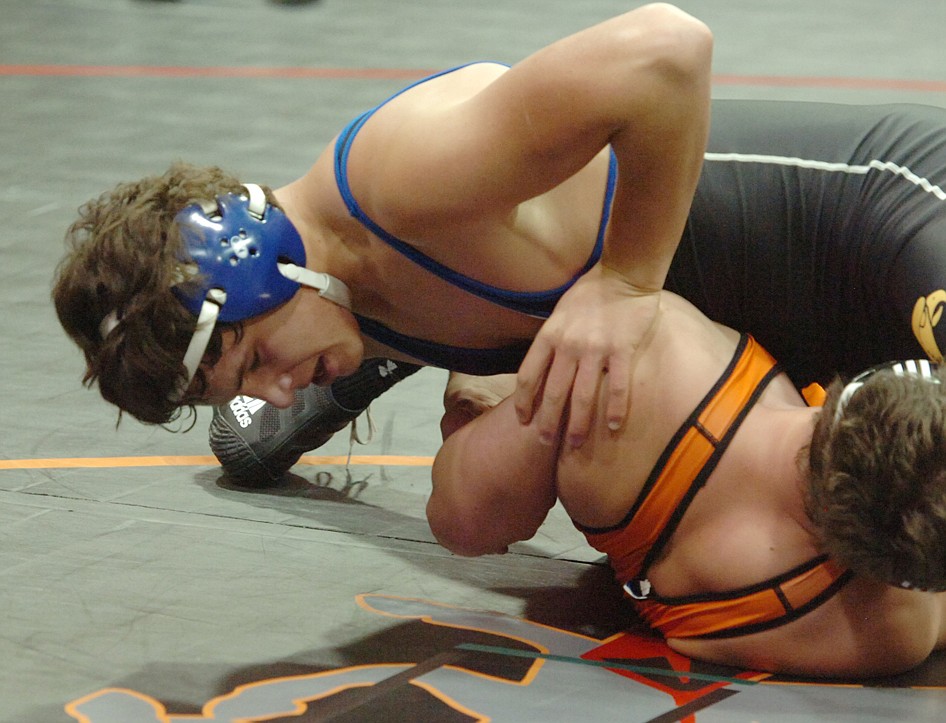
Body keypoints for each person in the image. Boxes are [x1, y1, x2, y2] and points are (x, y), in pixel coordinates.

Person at [52, 4, 712, 457]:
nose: (276, 390)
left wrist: (626, 283)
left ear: (263, 261)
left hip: (785, 229)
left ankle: (409, 350)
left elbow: (668, 46)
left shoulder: (404, 182)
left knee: (570, 475)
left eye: (256, 363)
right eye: (243, 385)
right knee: (459, 483)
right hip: (702, 310)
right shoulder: (317, 282)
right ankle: (406, 349)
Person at [208, 95, 946, 483]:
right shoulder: (405, 183)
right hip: (870, 222)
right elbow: (666, 47)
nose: (270, 388)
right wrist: (625, 283)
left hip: (811, 328)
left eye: (262, 359)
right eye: (259, 363)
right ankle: (387, 328)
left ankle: (403, 332)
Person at [427, 289, 946, 678]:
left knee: (476, 491)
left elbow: (458, 522)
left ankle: (474, 360)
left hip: (663, 384)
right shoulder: (885, 631)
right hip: (750, 578)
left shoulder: (659, 354)